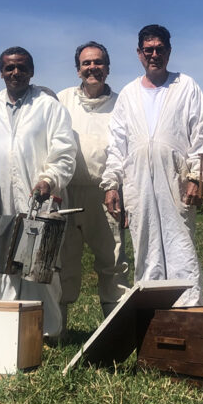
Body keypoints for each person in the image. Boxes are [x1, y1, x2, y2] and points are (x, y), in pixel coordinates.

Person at [101, 25, 203, 306]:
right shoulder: (128, 94)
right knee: (145, 247)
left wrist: (196, 176)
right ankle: (153, 316)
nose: (154, 55)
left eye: (159, 49)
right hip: (137, 183)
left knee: (180, 245)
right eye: (148, 50)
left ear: (169, 52)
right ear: (139, 54)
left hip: (176, 180)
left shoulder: (186, 86)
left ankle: (188, 313)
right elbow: (116, 144)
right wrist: (112, 184)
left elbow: (201, 134)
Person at [0, 46, 76, 339]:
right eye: (9, 68)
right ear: (1, 72)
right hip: (0, 201)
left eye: (21, 67)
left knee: (41, 268)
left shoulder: (49, 106)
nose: (15, 72)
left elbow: (65, 152)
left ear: (31, 71)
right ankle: (0, 330)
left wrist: (49, 179)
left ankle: (46, 333)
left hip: (40, 198)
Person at [57, 42, 132, 325]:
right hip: (67, 192)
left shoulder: (122, 103)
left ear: (108, 68)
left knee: (113, 261)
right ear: (78, 69)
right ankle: (57, 328)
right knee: (62, 260)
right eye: (87, 63)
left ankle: (116, 328)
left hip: (106, 193)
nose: (93, 68)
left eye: (98, 62)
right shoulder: (62, 100)